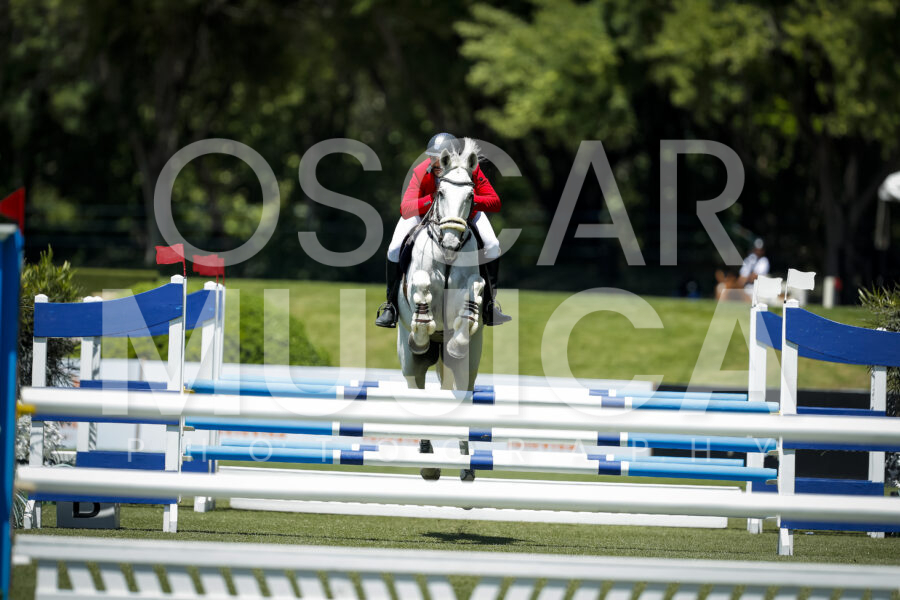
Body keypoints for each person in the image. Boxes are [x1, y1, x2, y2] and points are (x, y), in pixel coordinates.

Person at [375, 133, 511, 328]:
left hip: (465, 213)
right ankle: (390, 306)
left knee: (492, 244)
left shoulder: (471, 169)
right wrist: (433, 199)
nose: (436, 163)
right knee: (394, 248)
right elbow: (405, 208)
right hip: (424, 214)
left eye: (441, 158)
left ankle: (490, 306)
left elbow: (494, 202)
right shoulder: (422, 171)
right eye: (433, 158)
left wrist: (468, 200)